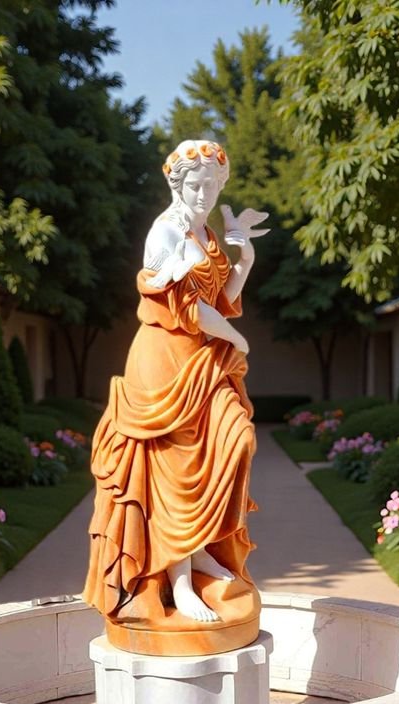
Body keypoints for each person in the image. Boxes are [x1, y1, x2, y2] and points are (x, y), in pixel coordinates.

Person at [83, 139, 269, 653]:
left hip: (201, 360)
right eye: (196, 184)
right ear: (177, 185)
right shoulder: (165, 231)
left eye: (213, 184)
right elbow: (189, 308)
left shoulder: (206, 234)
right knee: (176, 469)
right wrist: (237, 339)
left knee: (234, 443)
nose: (205, 193)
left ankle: (202, 549)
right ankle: (180, 580)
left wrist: (244, 255)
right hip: (164, 361)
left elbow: (221, 299)